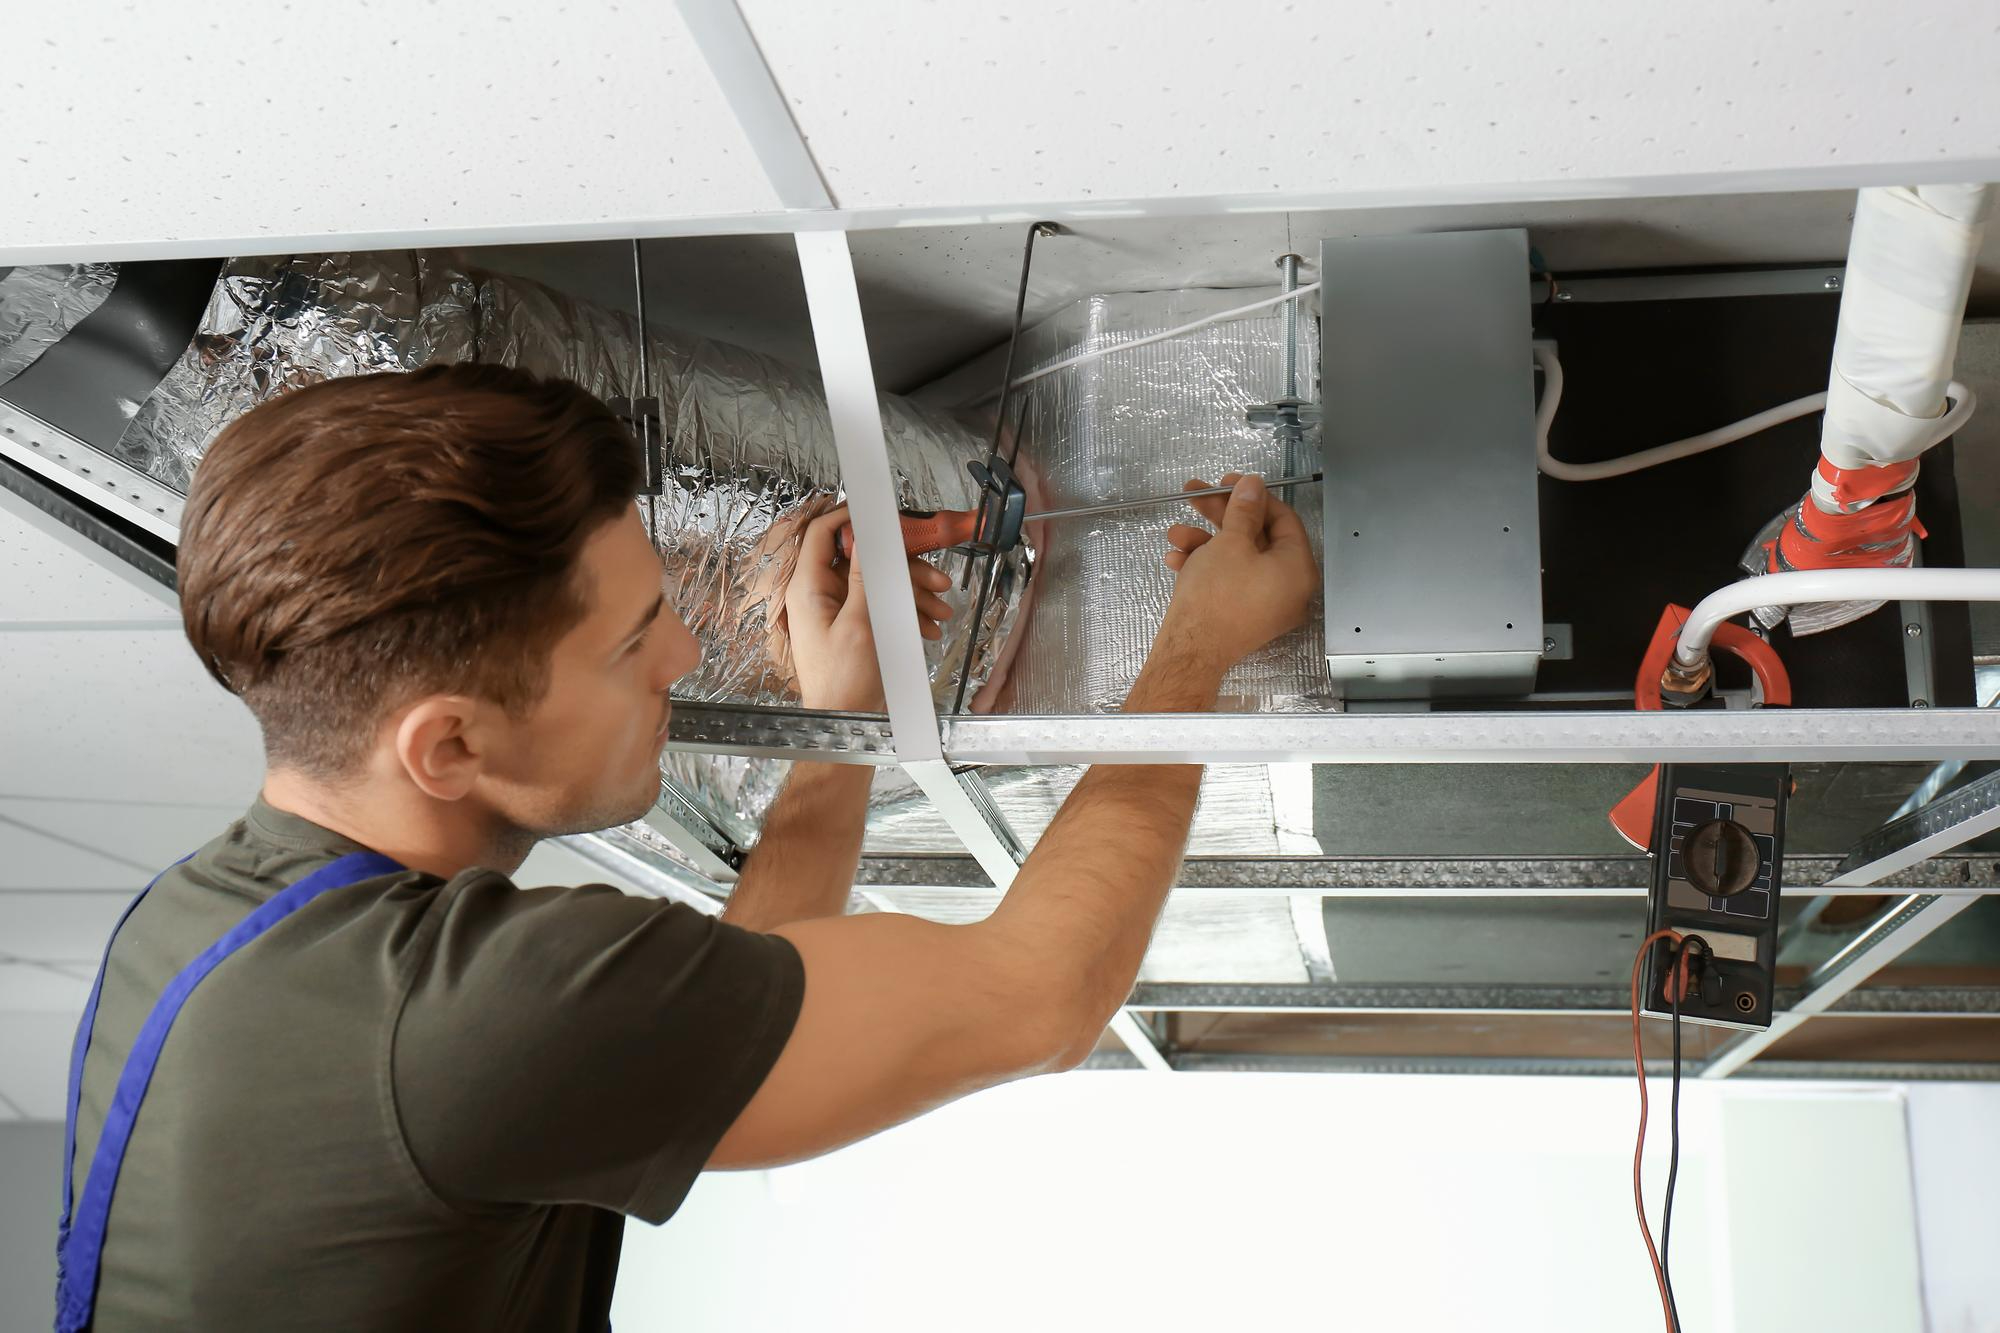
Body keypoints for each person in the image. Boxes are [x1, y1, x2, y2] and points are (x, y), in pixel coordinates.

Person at [57, 363, 1319, 1332]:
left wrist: (834, 733)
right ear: (446, 747)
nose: (680, 657)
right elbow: (1036, 996)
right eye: (630, 642)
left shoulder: (203, 917)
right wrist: (1193, 653)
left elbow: (707, 1012)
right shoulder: (460, 1010)